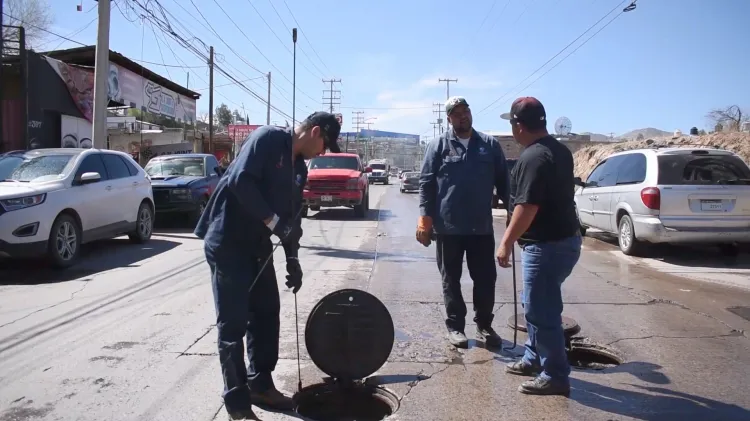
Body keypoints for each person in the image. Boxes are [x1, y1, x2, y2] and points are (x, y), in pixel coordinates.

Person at [195, 112, 341, 419]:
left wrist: (293, 259)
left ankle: (260, 383)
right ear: (315, 131)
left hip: (257, 247)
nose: (324, 153)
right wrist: (274, 222)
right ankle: (237, 404)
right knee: (233, 325)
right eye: (325, 145)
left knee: (266, 313)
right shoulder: (268, 138)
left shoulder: (299, 168)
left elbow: (291, 221)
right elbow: (240, 182)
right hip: (228, 243)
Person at [496, 97, 582, 397]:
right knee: (538, 304)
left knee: (541, 310)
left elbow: (527, 207)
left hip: (547, 246)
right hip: (564, 241)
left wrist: (505, 243)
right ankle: (533, 358)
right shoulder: (559, 150)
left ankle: (555, 375)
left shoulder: (533, 158)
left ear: (519, 126)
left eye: (511, 124)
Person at [417, 96, 510, 349]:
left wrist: (514, 210)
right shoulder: (438, 146)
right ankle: (456, 327)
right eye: (457, 113)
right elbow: (426, 183)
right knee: (451, 279)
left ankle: (484, 326)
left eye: (466, 111)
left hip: (481, 228)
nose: (463, 116)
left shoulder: (489, 145)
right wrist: (425, 217)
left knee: (485, 279)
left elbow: (504, 182)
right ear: (449, 119)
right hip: (448, 229)